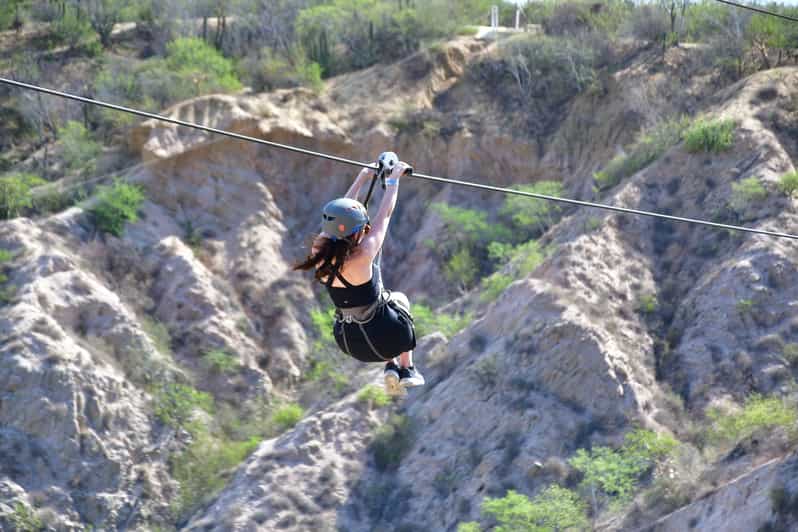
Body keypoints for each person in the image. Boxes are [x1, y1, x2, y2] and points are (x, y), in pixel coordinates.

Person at [294, 160, 424, 395]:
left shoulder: (318, 250)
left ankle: (391, 366)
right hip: (386, 337)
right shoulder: (363, 255)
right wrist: (393, 180)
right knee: (399, 300)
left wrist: (363, 176)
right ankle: (407, 367)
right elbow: (384, 215)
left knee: (381, 312)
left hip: (350, 342)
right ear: (357, 233)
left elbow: (337, 216)